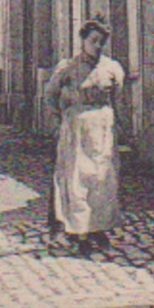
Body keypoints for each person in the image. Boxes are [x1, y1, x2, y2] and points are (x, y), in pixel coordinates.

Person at [42, 19, 128, 256]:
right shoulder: (68, 68)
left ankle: (98, 229)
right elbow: (50, 95)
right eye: (93, 41)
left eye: (101, 42)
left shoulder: (112, 68)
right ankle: (79, 232)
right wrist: (59, 122)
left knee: (102, 178)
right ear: (83, 41)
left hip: (102, 127)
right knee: (77, 179)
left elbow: (119, 100)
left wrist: (120, 126)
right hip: (76, 128)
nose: (97, 46)